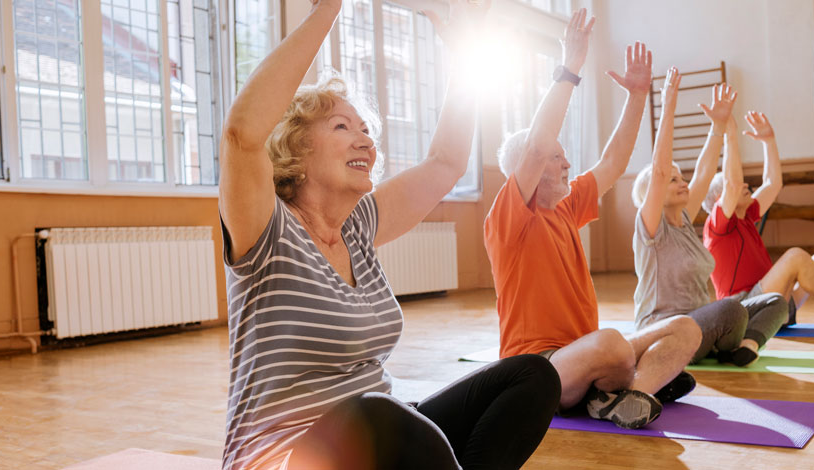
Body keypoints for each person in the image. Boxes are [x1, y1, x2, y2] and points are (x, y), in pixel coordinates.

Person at [218, 1, 561, 469]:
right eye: (342, 127)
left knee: (533, 376)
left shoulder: (358, 226)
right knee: (376, 415)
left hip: (377, 442)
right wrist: (328, 9)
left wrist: (465, 57)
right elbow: (242, 133)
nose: (366, 141)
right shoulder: (267, 229)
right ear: (295, 148)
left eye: (366, 130)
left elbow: (446, 162)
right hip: (285, 457)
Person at [484, 9, 700, 431]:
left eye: (564, 155)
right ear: (526, 172)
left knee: (684, 329)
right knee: (613, 346)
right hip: (538, 369)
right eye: (555, 157)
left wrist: (638, 96)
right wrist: (570, 68)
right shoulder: (508, 218)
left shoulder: (567, 205)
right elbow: (535, 146)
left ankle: (627, 394)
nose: (566, 162)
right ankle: (621, 387)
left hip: (586, 351)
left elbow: (613, 162)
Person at [632, 72, 788, 368]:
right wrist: (669, 107)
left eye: (681, 177)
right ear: (653, 193)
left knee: (775, 301)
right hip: (665, 331)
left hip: (702, 323)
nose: (681, 182)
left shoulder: (686, 221)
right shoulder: (651, 228)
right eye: (672, 179)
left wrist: (718, 127)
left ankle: (742, 346)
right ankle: (725, 342)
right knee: (730, 310)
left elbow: (704, 172)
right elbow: (661, 169)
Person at [702, 111, 814, 327]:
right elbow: (733, 184)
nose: (746, 185)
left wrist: (768, 140)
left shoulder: (746, 216)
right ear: (721, 198)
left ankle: (780, 316)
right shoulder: (716, 226)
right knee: (795, 256)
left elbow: (772, 183)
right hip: (741, 309)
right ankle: (776, 316)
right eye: (740, 185)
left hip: (769, 303)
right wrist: (730, 133)